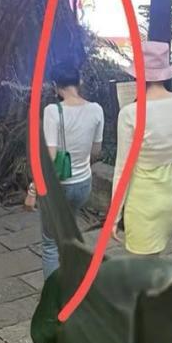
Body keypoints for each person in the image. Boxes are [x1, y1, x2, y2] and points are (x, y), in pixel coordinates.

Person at [112, 40, 172, 255]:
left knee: (142, 269)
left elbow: (122, 169)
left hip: (143, 200)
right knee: (155, 261)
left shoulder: (130, 113)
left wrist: (114, 215)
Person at [36, 61, 104, 279]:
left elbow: (50, 157)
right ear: (79, 81)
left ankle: (55, 294)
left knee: (50, 244)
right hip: (83, 184)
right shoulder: (96, 110)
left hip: (59, 187)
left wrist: (33, 189)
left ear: (55, 86)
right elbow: (96, 151)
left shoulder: (52, 111)